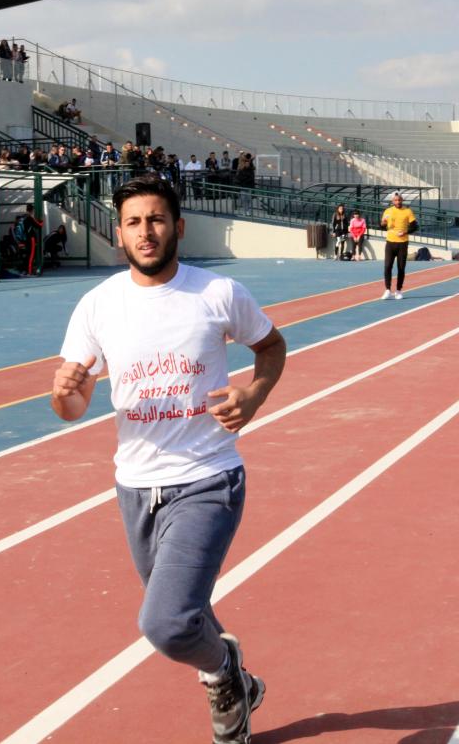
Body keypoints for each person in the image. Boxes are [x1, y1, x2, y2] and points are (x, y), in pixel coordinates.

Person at [51, 174, 286, 744]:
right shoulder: (98, 305)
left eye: (156, 219)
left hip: (208, 478)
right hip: (134, 486)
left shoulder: (217, 294)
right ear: (119, 233)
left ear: (177, 227)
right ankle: (236, 683)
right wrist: (64, 392)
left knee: (166, 622)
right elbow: (73, 404)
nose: (146, 232)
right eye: (133, 222)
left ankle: (222, 673)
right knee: (186, 611)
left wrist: (252, 396)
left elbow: (271, 347)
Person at [380, 191, 416, 299]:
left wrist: (405, 232)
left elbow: (414, 227)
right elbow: (382, 226)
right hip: (390, 242)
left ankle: (398, 290)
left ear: (402, 200)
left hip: (402, 243)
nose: (398, 201)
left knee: (401, 268)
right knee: (387, 266)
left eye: (399, 199)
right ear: (392, 201)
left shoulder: (408, 211)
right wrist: (382, 224)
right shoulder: (388, 211)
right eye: (396, 200)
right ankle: (387, 290)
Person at [16, 203, 43, 276]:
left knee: (26, 255)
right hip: (31, 239)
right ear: (32, 210)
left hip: (23, 239)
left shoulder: (22, 218)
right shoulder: (29, 218)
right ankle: (29, 271)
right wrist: (41, 221)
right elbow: (39, 225)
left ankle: (24, 270)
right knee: (31, 255)